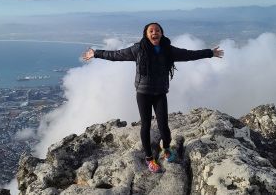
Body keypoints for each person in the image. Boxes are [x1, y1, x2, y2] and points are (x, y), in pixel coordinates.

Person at [82, 22, 224, 173]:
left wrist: (210, 53)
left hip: (160, 93)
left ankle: (167, 148)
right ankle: (149, 158)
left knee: (164, 126)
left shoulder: (168, 50)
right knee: (146, 125)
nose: (154, 32)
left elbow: (188, 54)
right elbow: (117, 55)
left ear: (161, 33)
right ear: (146, 34)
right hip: (143, 93)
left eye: (157, 30)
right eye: (151, 31)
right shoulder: (138, 49)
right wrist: (96, 53)